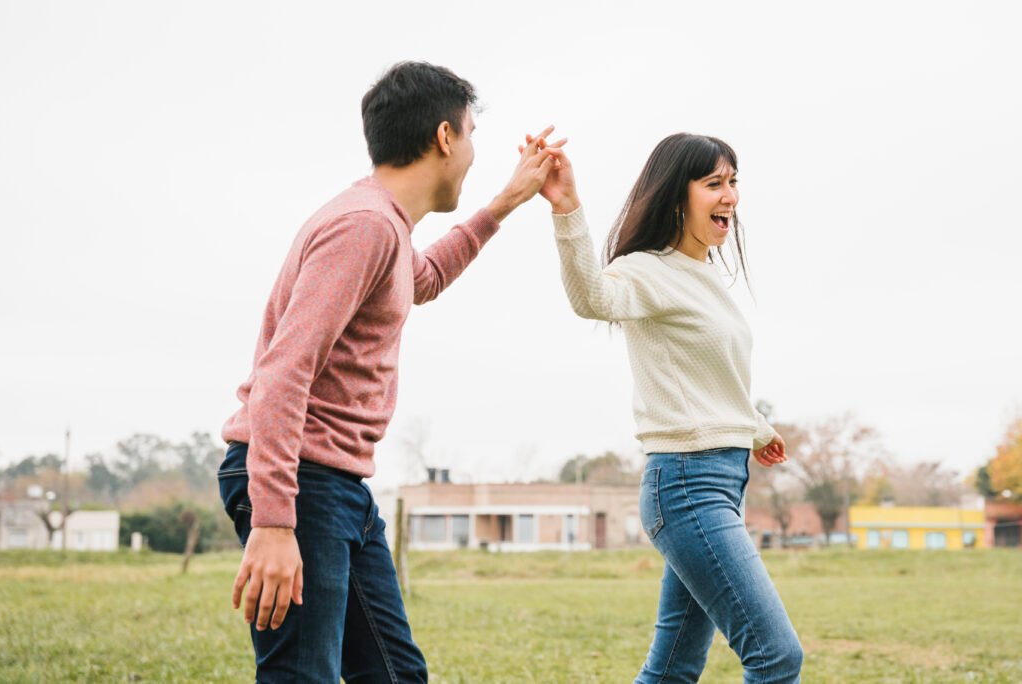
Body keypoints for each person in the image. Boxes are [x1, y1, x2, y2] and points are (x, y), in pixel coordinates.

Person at [218, 61, 559, 683]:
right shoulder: (364, 226)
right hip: (301, 477)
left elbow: (424, 278)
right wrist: (273, 520)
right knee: (303, 676)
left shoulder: (386, 228)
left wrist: (507, 201)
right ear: (444, 137)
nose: (473, 153)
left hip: (336, 481)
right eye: (472, 134)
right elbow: (283, 372)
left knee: (396, 674)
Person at [531, 132, 804, 683]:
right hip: (686, 485)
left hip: (721, 483)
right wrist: (567, 209)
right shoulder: (647, 270)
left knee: (673, 669)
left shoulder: (705, 276)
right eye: (713, 183)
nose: (730, 195)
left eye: (733, 182)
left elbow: (706, 374)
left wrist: (755, 429)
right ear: (678, 196)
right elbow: (591, 297)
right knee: (777, 657)